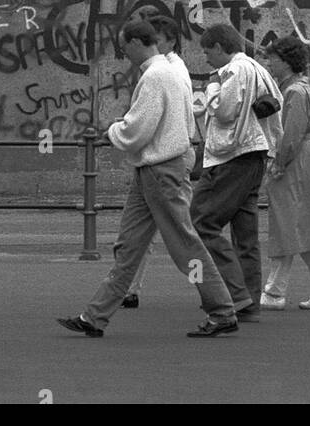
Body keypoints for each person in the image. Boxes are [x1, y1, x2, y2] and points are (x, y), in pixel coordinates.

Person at [57, 20, 239, 338]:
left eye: (123, 44)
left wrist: (113, 130)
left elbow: (139, 128)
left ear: (136, 43)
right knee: (130, 245)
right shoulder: (172, 69)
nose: (122, 50)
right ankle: (94, 316)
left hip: (160, 169)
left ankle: (222, 310)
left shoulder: (154, 76)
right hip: (158, 169)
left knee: (184, 244)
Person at [190, 22, 282, 321]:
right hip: (256, 154)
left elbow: (224, 110)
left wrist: (212, 86)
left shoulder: (232, 71)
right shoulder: (258, 68)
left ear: (219, 47)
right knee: (246, 235)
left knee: (202, 222)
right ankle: (249, 301)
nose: (206, 59)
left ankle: (235, 294)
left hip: (233, 155)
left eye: (207, 52)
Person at [259, 35, 310, 310]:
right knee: (302, 222)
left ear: (285, 61)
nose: (269, 62)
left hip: (297, 161)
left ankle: (274, 293)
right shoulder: (301, 87)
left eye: (273, 58)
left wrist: (278, 164)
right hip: (308, 157)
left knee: (286, 221)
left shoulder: (294, 91)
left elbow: (290, 135)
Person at [118, 13, 196, 308]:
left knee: (183, 234)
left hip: (165, 160)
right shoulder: (165, 69)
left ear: (170, 41)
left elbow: (151, 122)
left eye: (158, 40)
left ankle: (220, 295)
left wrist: (119, 130)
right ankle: (125, 288)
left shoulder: (165, 71)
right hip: (166, 158)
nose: (153, 45)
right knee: (143, 232)